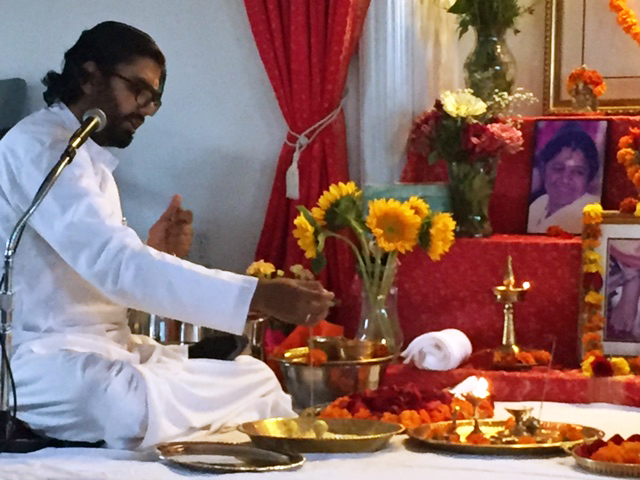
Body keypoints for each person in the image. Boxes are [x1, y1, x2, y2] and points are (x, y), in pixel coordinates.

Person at [0, 21, 334, 450]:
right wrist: (259, 297)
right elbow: (116, 265)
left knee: (255, 376)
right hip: (40, 359)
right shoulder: (40, 148)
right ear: (89, 75)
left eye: (153, 99)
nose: (145, 109)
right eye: (137, 90)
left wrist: (154, 251)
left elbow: (101, 268)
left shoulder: (84, 153)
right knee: (122, 403)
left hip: (108, 351)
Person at [527, 124, 602, 234]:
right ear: (544, 169)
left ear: (589, 178)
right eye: (558, 169)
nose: (565, 179)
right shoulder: (539, 204)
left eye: (578, 172)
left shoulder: (588, 214)